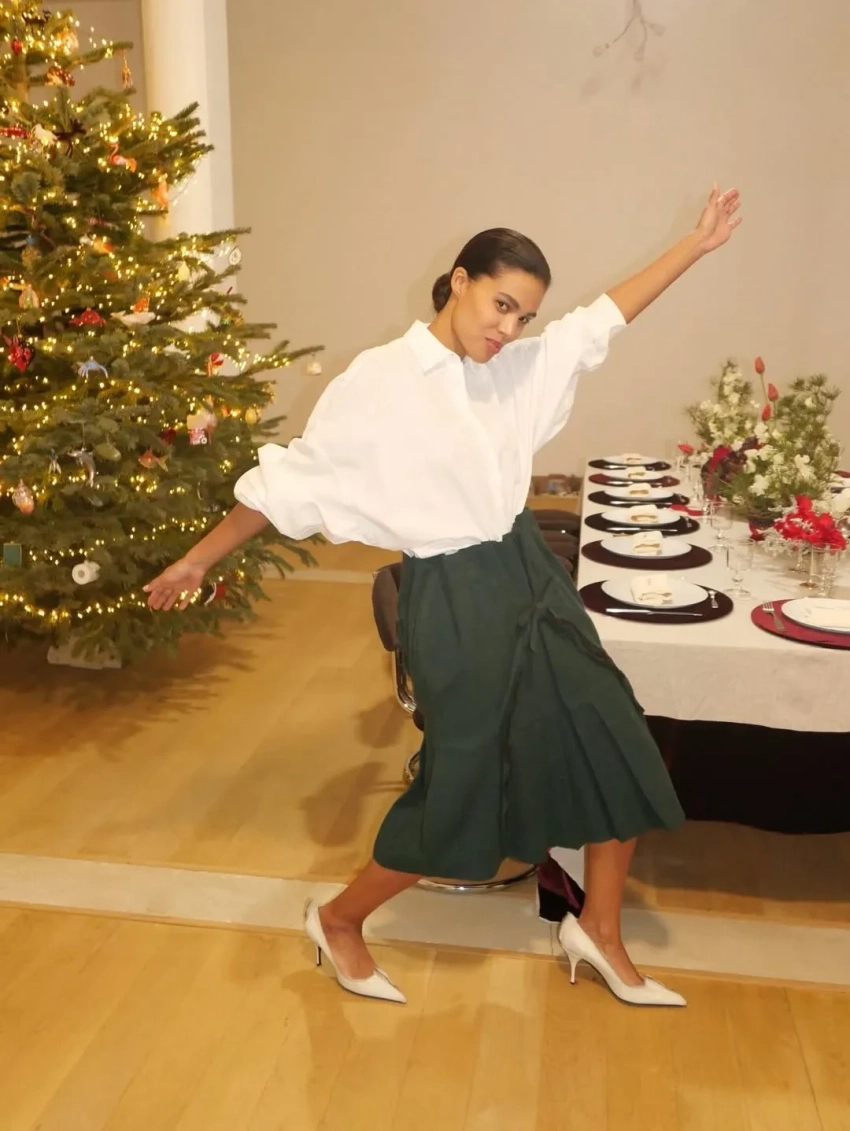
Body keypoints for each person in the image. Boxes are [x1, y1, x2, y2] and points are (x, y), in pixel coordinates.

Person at [145, 185, 742, 1008]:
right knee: (462, 790)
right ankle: (340, 918)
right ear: (460, 281)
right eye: (501, 305)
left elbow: (604, 317)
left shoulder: (517, 370)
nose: (510, 328)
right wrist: (195, 560)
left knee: (615, 737)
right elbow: (291, 483)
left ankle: (598, 930)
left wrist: (695, 246)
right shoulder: (381, 380)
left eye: (524, 316)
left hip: (530, 575)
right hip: (455, 600)